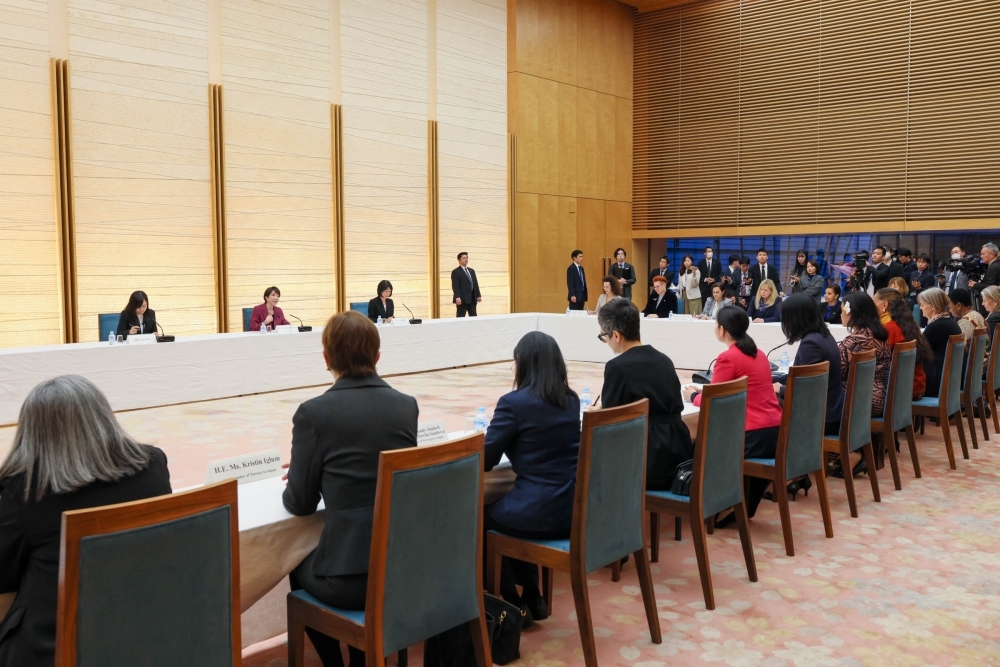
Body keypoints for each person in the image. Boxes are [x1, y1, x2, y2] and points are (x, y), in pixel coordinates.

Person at [0, 375, 171, 667]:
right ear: (103, 416)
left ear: (33, 431)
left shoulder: (22, 491)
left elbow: (4, 583)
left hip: (52, 648)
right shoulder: (153, 465)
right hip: (148, 631)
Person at [283, 311, 418, 667]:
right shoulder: (406, 407)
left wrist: (304, 469)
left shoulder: (314, 414)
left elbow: (299, 503)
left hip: (350, 582)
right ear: (377, 357)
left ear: (326, 359)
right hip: (403, 570)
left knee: (294, 565)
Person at [484, 332, 580, 621]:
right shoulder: (571, 400)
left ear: (524, 364)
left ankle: (510, 602)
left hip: (539, 512)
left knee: (479, 518)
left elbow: (486, 460)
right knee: (511, 510)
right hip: (571, 511)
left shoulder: (514, 403)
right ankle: (531, 594)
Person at [685, 307, 782, 521]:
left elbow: (713, 401)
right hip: (774, 430)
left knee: (695, 440)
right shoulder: (759, 353)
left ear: (722, 330)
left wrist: (693, 397)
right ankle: (737, 506)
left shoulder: (728, 357)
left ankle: (706, 503)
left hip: (752, 433)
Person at [598, 299, 693, 490]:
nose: (605, 341)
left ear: (616, 335)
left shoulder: (617, 367)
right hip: (680, 456)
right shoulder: (664, 360)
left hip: (645, 461)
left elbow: (610, 422)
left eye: (604, 336)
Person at [835, 292, 892, 478]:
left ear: (852, 312)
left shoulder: (855, 341)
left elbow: (836, 372)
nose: (840, 314)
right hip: (879, 395)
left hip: (863, 401)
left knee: (812, 399)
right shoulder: (879, 334)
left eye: (842, 309)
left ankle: (846, 453)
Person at [775, 293, 844, 437]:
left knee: (767, 401)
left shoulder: (810, 344)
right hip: (833, 411)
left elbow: (808, 389)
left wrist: (780, 389)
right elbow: (801, 378)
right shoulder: (823, 335)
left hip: (823, 417)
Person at [874, 288, 931, 400]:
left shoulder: (889, 329)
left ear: (884, 305)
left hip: (902, 390)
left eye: (873, 303)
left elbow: (879, 359)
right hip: (916, 385)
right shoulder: (907, 323)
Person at [917, 288, 963, 399]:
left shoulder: (937, 326)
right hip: (949, 379)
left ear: (932, 306)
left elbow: (918, 352)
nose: (920, 308)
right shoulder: (949, 321)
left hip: (936, 381)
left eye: (922, 305)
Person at [451, 251, 482, 317]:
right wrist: (457, 298)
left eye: (467, 258)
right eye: (464, 258)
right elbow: (455, 285)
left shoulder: (471, 271)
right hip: (462, 299)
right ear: (459, 260)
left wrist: (478, 295)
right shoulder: (456, 272)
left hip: (472, 298)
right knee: (461, 316)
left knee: (473, 316)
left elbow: (475, 284)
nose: (466, 259)